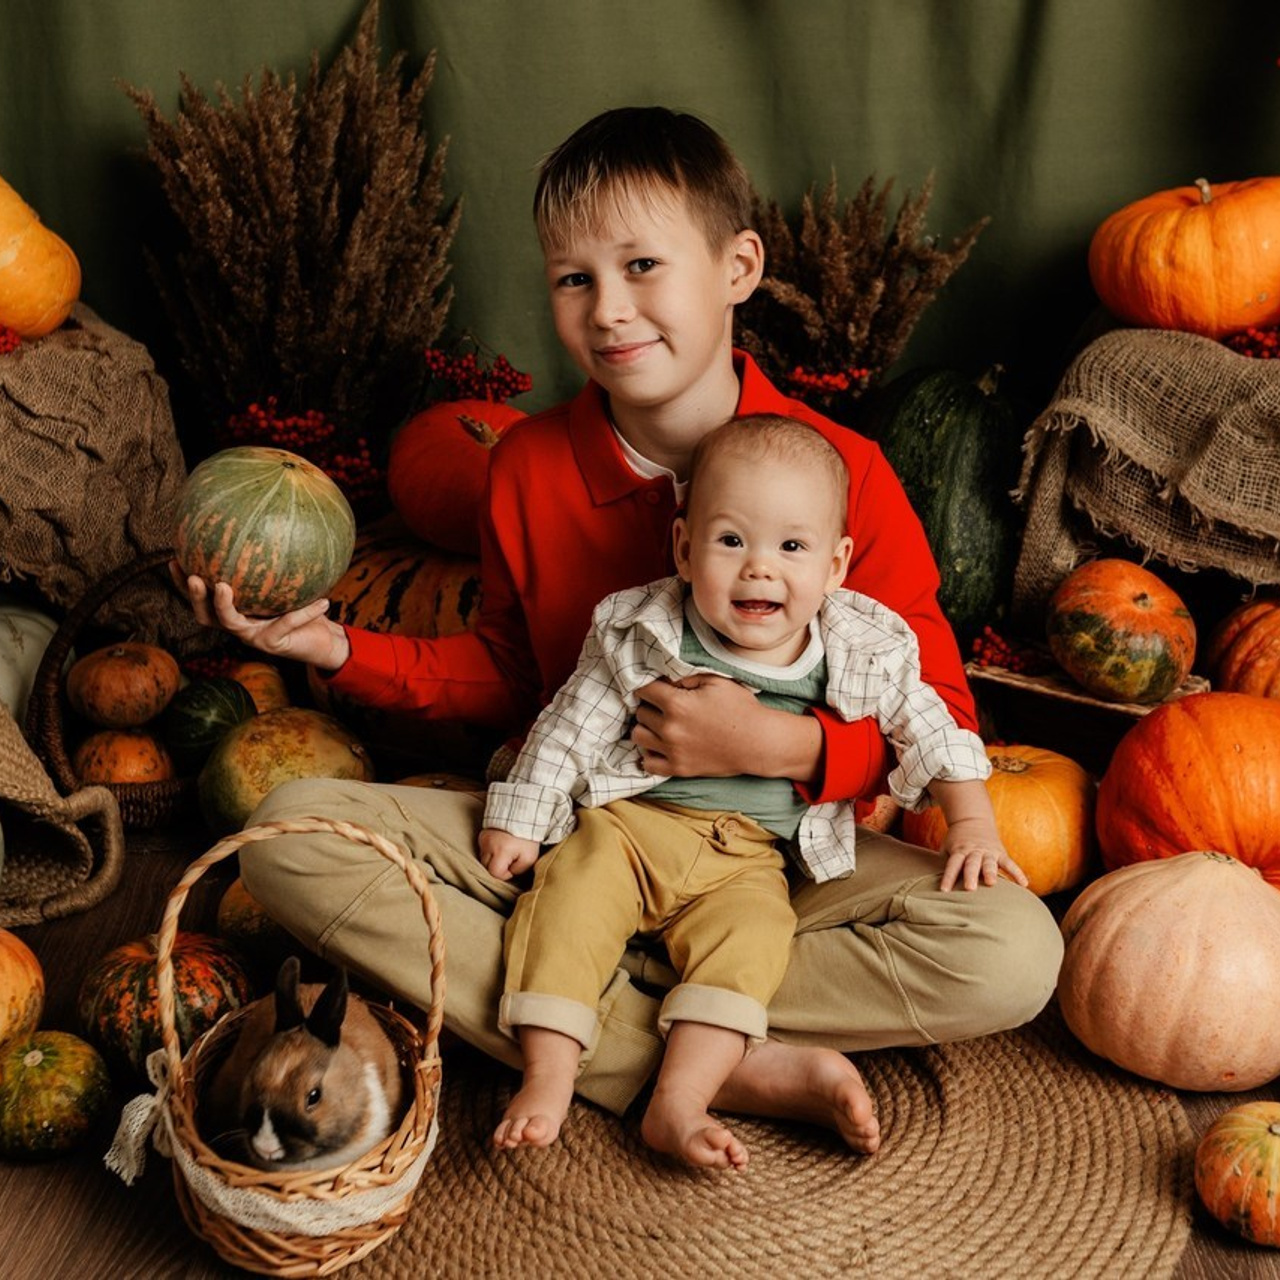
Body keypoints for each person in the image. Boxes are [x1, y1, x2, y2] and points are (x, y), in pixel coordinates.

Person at [179, 106, 1063, 1157]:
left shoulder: (843, 475)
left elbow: (939, 711)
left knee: (1010, 950)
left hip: (779, 863)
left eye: (642, 265)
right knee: (289, 837)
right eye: (573, 279)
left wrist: (778, 746)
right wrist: (336, 649)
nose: (608, 310)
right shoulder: (526, 468)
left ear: (737, 265)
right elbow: (515, 678)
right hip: (584, 828)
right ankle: (716, 1052)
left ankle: (583, 998)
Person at [479, 414, 1025, 1168]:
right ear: (684, 547)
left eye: (791, 548)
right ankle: (548, 1075)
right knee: (567, 899)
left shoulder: (864, 645)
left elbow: (929, 729)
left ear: (836, 565)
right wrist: (520, 821)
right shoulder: (642, 630)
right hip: (633, 829)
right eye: (731, 541)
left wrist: (971, 823)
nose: (759, 569)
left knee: (752, 947)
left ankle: (679, 1100)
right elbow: (568, 726)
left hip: (752, 863)